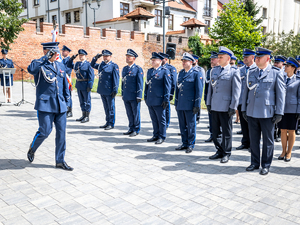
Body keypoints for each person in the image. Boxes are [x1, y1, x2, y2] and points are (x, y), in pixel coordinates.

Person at [27, 42, 73, 171]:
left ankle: (60, 160)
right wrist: (44, 58)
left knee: (61, 134)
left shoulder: (60, 65)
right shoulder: (40, 64)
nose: (56, 55)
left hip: (60, 105)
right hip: (45, 104)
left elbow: (65, 86)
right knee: (45, 131)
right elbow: (31, 69)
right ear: (46, 52)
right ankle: (33, 148)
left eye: (57, 52)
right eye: (53, 52)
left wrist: (68, 103)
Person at [242, 47, 285, 175]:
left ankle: (266, 164)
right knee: (253, 139)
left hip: (268, 112)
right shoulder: (251, 72)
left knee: (268, 140)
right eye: (256, 57)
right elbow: (246, 92)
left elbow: (281, 94)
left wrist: (279, 112)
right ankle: (254, 163)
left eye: (259, 57)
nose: (256, 59)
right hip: (252, 111)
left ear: (267, 59)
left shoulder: (276, 73)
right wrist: (244, 109)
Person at [206, 46, 241, 163]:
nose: (218, 59)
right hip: (215, 105)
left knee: (226, 131)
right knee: (215, 132)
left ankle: (226, 152)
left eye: (221, 57)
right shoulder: (213, 71)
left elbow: (236, 91)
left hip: (226, 107)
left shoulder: (233, 72)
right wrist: (208, 103)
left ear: (228, 59)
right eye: (218, 57)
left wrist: (233, 106)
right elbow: (210, 89)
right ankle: (219, 150)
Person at [175, 53, 202, 153]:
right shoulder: (181, 73)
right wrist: (176, 102)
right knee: (182, 125)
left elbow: (199, 90)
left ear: (191, 62)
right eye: (182, 61)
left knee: (191, 125)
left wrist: (197, 105)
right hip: (181, 104)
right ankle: (184, 143)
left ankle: (191, 144)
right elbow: (177, 89)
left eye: (185, 61)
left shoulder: (196, 73)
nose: (183, 63)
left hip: (190, 105)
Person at [144, 52, 171, 144]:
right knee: (154, 119)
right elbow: (147, 84)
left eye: (154, 60)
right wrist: (145, 96)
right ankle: (155, 135)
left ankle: (162, 136)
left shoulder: (164, 71)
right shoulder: (150, 71)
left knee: (161, 119)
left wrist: (166, 99)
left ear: (160, 61)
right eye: (152, 60)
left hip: (159, 100)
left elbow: (167, 87)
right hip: (151, 99)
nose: (152, 61)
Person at [277, 57, 300, 162]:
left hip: (292, 109)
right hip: (281, 109)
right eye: (285, 65)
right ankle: (283, 151)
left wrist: (299, 110)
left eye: (287, 66)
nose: (285, 67)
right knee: (282, 130)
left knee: (291, 131)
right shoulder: (281, 77)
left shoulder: (298, 80)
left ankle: (289, 152)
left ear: (293, 68)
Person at [91, 50, 120, 130]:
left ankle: (111, 123)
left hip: (109, 90)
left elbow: (116, 78)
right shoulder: (101, 65)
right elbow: (92, 65)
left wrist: (115, 89)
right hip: (102, 89)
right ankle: (107, 122)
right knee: (106, 107)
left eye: (107, 56)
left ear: (110, 57)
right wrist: (95, 58)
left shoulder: (114, 66)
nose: (105, 57)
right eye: (104, 56)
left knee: (111, 107)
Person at [236, 48, 256, 151]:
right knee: (243, 123)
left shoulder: (257, 69)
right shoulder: (240, 70)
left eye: (246, 57)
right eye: (244, 57)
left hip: (252, 102)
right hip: (241, 101)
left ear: (253, 57)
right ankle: (245, 142)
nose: (244, 59)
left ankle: (253, 144)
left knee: (252, 125)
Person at [67, 49, 94, 123]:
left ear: (85, 56)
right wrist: (71, 58)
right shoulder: (77, 64)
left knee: (87, 101)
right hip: (79, 84)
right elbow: (69, 65)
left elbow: (91, 76)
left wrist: (90, 85)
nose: (80, 57)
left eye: (82, 55)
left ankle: (87, 116)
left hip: (85, 85)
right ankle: (83, 114)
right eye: (80, 55)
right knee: (81, 101)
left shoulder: (88, 64)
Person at [121, 49, 144, 137]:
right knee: (129, 113)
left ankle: (136, 129)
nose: (127, 58)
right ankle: (131, 128)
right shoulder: (125, 68)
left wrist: (139, 95)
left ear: (133, 58)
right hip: (127, 95)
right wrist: (123, 93)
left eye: (129, 57)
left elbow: (140, 83)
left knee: (135, 113)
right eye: (126, 56)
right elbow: (123, 82)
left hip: (134, 95)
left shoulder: (138, 69)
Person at [204, 51, 219, 142]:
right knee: (211, 118)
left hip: (218, 99)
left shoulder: (220, 70)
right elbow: (207, 87)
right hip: (210, 99)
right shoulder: (209, 71)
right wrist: (206, 99)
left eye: (213, 59)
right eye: (211, 59)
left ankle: (219, 134)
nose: (211, 61)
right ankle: (212, 134)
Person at [159, 52, 177, 129]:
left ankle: (166, 123)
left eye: (161, 58)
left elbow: (173, 82)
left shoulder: (171, 68)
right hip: (158, 92)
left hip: (167, 92)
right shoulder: (158, 68)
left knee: (166, 108)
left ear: (166, 59)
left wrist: (171, 93)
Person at [273, 55, 287, 142]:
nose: (275, 64)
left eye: (277, 63)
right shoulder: (273, 71)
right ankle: (274, 134)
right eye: (275, 62)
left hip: (284, 98)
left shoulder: (285, 72)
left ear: (283, 63)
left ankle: (278, 133)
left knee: (281, 117)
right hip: (275, 98)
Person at [192, 54, 205, 124]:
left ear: (196, 60)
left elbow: (202, 82)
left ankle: (197, 118)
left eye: (193, 59)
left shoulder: (200, 69)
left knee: (197, 103)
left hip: (197, 90)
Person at [61, 45, 73, 118]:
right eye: (62, 51)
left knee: (68, 95)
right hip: (63, 78)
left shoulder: (69, 60)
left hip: (67, 78)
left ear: (67, 52)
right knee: (64, 94)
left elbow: (68, 70)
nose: (62, 52)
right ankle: (65, 108)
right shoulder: (63, 60)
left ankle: (69, 111)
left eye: (64, 51)